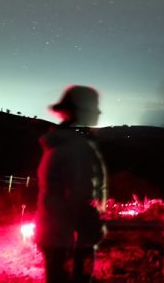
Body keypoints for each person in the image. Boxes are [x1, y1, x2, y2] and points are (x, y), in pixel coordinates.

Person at [37, 85, 108, 283]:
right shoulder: (77, 148)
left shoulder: (58, 144)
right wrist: (94, 227)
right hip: (70, 240)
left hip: (54, 234)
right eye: (94, 107)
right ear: (82, 110)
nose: (99, 111)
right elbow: (79, 196)